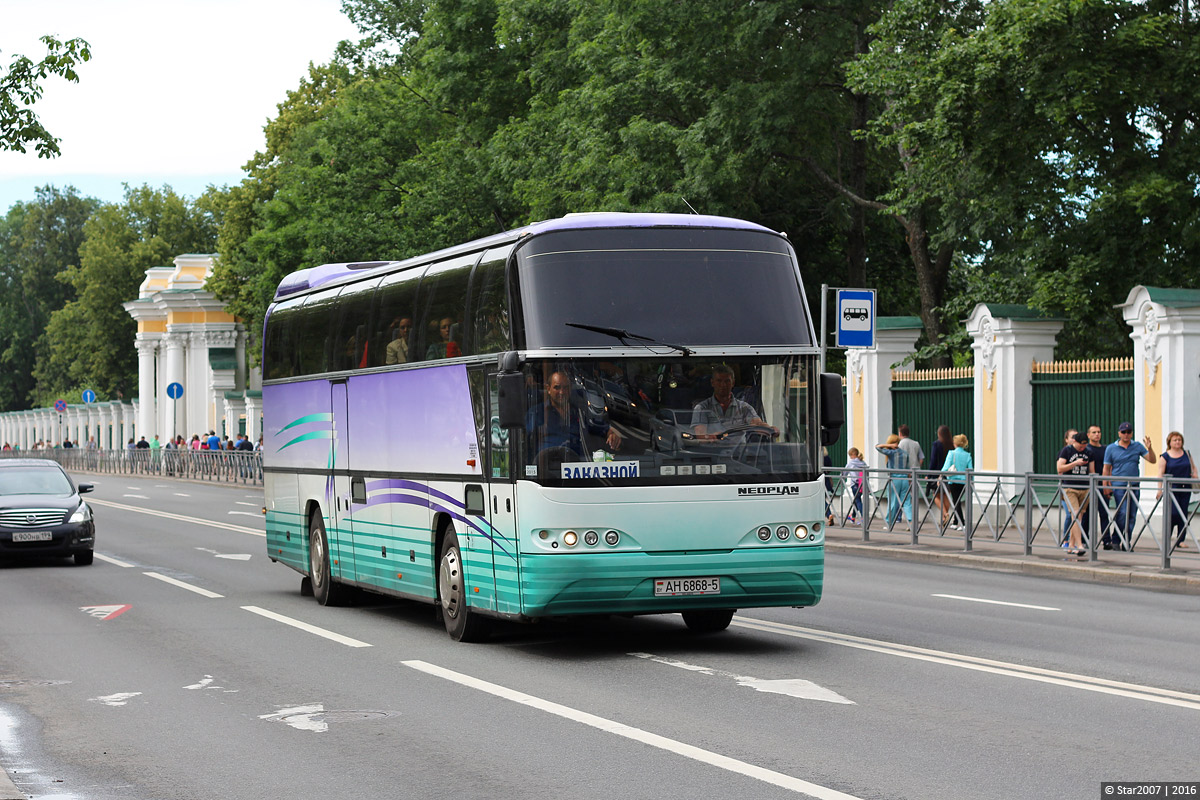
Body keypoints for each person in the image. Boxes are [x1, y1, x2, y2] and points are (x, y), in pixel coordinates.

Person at [527, 370, 622, 462]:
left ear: (570, 389)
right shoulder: (536, 413)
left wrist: (612, 435)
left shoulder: (580, 413)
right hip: (546, 472)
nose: (561, 392)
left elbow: (603, 428)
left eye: (565, 388)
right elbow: (523, 439)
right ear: (548, 389)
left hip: (575, 471)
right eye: (557, 387)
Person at [1103, 421, 1157, 551]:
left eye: (1129, 432)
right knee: (1122, 513)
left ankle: (1126, 541)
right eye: (1123, 432)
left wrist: (1149, 448)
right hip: (1119, 485)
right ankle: (1116, 539)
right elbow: (1106, 468)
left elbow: (1152, 460)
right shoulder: (1111, 448)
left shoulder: (1137, 446)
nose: (1126, 435)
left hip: (1134, 485)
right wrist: (1106, 486)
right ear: (1119, 433)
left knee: (1132, 514)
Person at [691, 365, 773, 439]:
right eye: (719, 381)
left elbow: (757, 423)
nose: (723, 385)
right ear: (712, 383)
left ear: (733, 383)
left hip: (740, 453)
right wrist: (712, 437)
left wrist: (771, 429)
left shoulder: (744, 407)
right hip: (712, 453)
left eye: (727, 381)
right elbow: (700, 435)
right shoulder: (702, 407)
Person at [1156, 431, 1197, 552]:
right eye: (1175, 440)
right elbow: (1160, 473)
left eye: (1179, 440)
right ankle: (1167, 538)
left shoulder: (1186, 453)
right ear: (1169, 442)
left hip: (1185, 488)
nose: (1178, 442)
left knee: (1183, 513)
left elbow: (1193, 467)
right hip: (1171, 489)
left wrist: (1195, 476)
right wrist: (1160, 489)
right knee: (1173, 513)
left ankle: (1181, 540)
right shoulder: (1165, 456)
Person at [1057, 431, 1093, 556]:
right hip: (1070, 487)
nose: (1082, 448)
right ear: (1075, 442)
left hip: (1084, 488)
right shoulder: (1066, 451)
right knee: (1075, 515)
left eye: (1084, 446)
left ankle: (1071, 545)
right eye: (1080, 446)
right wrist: (1075, 463)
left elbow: (1091, 471)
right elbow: (1060, 468)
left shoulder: (1089, 453)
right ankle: (1079, 545)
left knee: (1078, 517)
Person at [1084, 424, 1112, 549]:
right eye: (1094, 432)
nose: (1097, 434)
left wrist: (1108, 484)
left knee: (1104, 513)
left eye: (1099, 432)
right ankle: (1084, 539)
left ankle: (1106, 540)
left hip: (1102, 485)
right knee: (1087, 514)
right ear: (1088, 435)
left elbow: (1109, 466)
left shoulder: (1105, 449)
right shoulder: (1086, 449)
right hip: (1089, 486)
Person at [875, 434, 912, 528]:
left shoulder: (891, 453)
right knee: (906, 501)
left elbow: (877, 447)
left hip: (894, 479)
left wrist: (888, 446)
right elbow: (908, 467)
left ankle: (889, 523)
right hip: (905, 479)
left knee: (893, 501)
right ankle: (911, 522)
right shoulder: (904, 453)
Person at [941, 434, 973, 530]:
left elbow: (945, 467)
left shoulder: (952, 453)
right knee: (957, 501)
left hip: (953, 480)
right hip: (964, 482)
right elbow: (970, 469)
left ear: (955, 443)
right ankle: (955, 522)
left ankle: (963, 524)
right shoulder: (968, 455)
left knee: (956, 502)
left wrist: (941, 474)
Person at [928, 424, 953, 525]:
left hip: (937, 474)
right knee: (946, 496)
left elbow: (933, 460)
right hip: (949, 474)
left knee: (936, 496)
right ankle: (944, 518)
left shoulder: (936, 444)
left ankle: (945, 514)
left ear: (939, 434)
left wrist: (929, 473)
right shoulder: (951, 444)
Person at [845, 447, 868, 524]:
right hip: (862, 484)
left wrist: (842, 477)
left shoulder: (851, 463)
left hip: (854, 484)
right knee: (856, 499)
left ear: (852, 455)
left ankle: (863, 518)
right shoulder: (863, 463)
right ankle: (853, 517)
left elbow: (844, 472)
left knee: (858, 500)